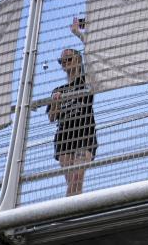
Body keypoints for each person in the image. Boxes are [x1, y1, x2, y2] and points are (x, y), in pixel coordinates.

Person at [47, 47, 97, 196]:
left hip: (84, 135)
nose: (65, 63)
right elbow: (52, 117)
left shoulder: (86, 81)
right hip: (64, 138)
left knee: (76, 178)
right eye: (62, 61)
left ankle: (65, 212)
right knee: (73, 184)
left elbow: (93, 59)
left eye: (68, 59)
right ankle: (76, 213)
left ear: (78, 60)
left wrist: (79, 34)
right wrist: (56, 102)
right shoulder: (58, 89)